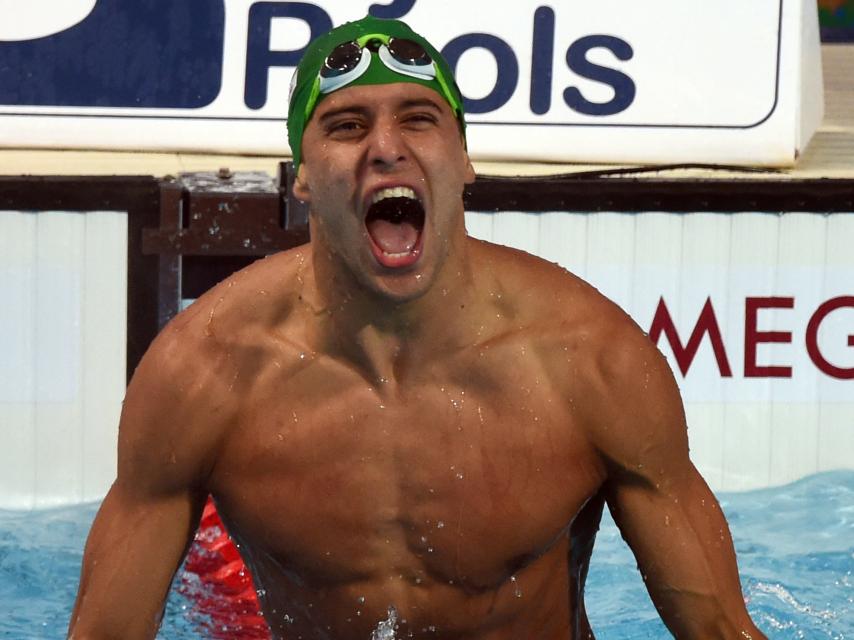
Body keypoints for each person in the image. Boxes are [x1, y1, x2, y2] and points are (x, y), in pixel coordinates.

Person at [69, 15, 766, 640]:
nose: (385, 148)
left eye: (419, 119)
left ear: (462, 160)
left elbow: (717, 627)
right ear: (303, 177)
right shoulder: (206, 371)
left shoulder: (589, 361)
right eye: (346, 126)